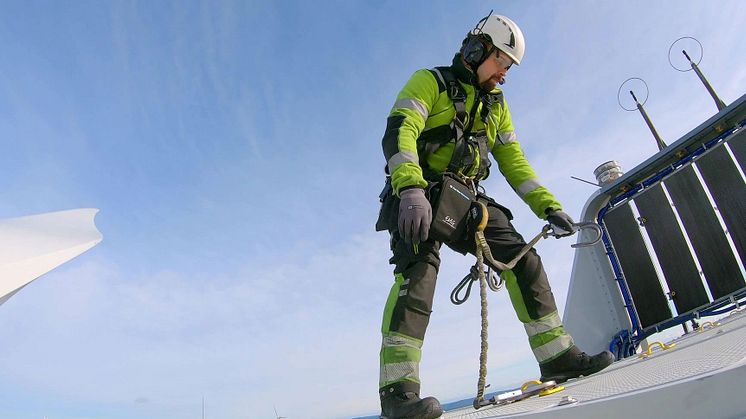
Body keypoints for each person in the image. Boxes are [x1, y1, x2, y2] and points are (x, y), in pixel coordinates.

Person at [375, 13, 614, 419]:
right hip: (420, 194)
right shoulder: (428, 82)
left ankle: (557, 357)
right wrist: (410, 188)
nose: (505, 75)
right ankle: (397, 395)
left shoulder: (497, 108)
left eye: (508, 68)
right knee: (418, 276)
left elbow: (514, 162)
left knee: (525, 262)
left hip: (465, 201)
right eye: (502, 62)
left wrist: (549, 206)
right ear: (476, 50)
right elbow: (400, 131)